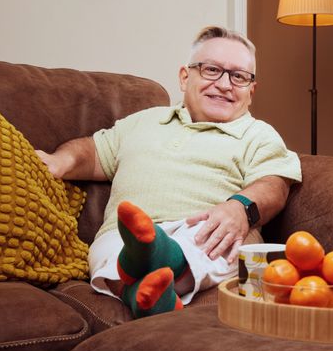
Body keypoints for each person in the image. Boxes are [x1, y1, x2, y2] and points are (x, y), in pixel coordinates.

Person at [37, 26, 302, 318]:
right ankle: (150, 287)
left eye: (238, 76)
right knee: (107, 250)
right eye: (212, 70)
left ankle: (154, 263)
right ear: (184, 77)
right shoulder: (142, 122)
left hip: (202, 227)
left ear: (251, 91)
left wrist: (240, 209)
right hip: (125, 235)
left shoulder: (259, 135)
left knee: (228, 241)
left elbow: (274, 184)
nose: (225, 84)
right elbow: (93, 151)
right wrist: (59, 161)